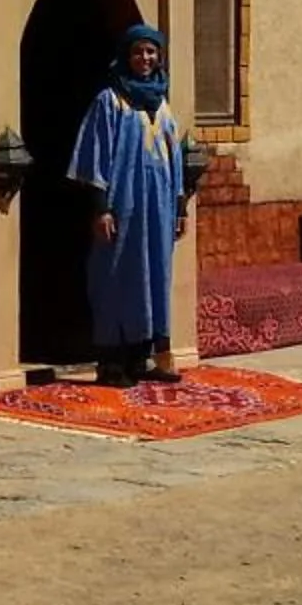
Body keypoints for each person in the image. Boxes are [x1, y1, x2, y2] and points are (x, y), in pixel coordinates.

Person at [67, 21, 189, 386]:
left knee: (152, 276)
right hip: (124, 206)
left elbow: (175, 158)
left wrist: (180, 208)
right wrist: (101, 207)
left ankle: (141, 358)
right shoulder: (110, 100)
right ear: (127, 56)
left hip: (159, 209)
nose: (145, 58)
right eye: (138, 52)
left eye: (151, 51)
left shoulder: (162, 102)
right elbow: (95, 156)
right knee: (117, 276)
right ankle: (111, 363)